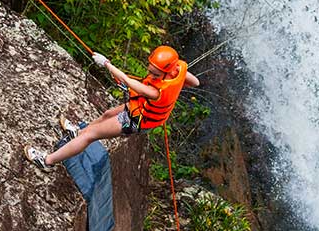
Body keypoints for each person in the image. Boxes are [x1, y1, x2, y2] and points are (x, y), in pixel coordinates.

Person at [24, 45, 200, 171]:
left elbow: (128, 82)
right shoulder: (178, 69)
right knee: (108, 114)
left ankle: (47, 160)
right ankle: (76, 133)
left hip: (138, 119)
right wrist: (176, 86)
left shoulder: (155, 91)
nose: (151, 75)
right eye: (151, 71)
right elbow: (194, 82)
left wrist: (106, 63)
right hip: (140, 107)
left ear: (167, 71)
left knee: (90, 135)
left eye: (155, 74)